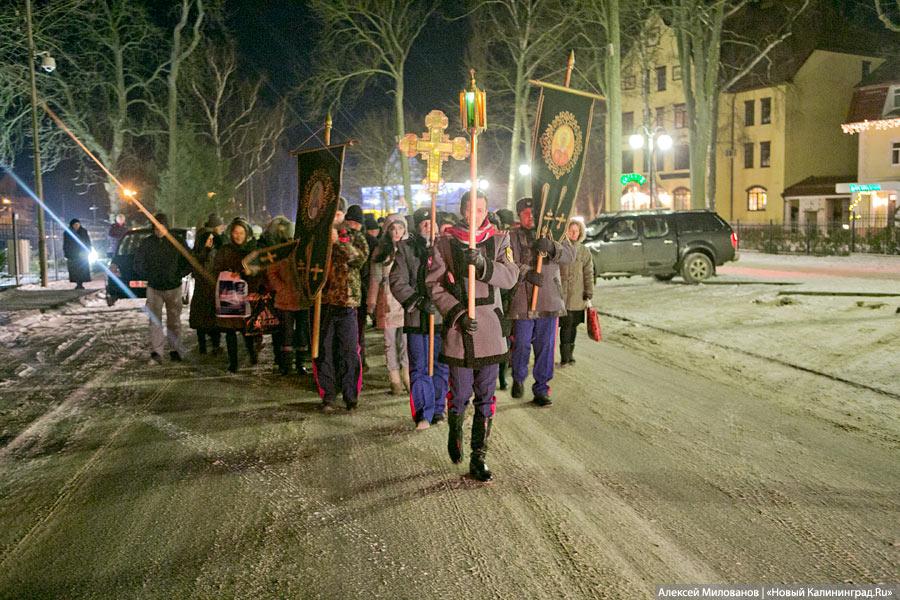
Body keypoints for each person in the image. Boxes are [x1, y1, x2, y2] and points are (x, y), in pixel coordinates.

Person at [426, 190, 519, 481]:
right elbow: (434, 286)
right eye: (470, 209)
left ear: (486, 211)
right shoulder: (444, 243)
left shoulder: (500, 240)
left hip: (490, 327)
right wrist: (457, 314)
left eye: (480, 209)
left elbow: (510, 277)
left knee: (486, 395)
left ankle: (479, 455)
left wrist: (482, 265)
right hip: (460, 328)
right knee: (461, 394)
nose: (475, 214)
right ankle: (455, 431)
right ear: (463, 211)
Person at [507, 197, 575, 406]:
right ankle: (518, 377)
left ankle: (541, 387)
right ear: (519, 215)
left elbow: (570, 256)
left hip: (549, 300)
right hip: (523, 301)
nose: (530, 217)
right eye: (525, 213)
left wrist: (552, 247)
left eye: (533, 213)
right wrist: (525, 272)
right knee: (521, 345)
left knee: (545, 347)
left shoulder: (553, 234)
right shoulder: (512, 236)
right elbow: (508, 261)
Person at [390, 207, 449, 430]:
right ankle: (423, 412)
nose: (427, 226)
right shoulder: (405, 249)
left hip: (442, 317)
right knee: (419, 366)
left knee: (441, 365)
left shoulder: (446, 247)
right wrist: (416, 300)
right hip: (417, 317)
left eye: (431, 222)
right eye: (423, 222)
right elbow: (397, 280)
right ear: (417, 226)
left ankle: (438, 408)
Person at [314, 199, 368, 412]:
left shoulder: (354, 237)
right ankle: (327, 395)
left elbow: (359, 259)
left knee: (348, 351)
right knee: (324, 351)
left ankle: (350, 395)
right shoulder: (319, 238)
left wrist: (339, 242)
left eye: (338, 214)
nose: (334, 218)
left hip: (347, 302)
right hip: (323, 303)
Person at [133, 213, 191, 363]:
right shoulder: (147, 243)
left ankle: (175, 350)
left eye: (161, 227)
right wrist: (147, 274)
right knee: (154, 321)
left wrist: (178, 274)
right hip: (154, 288)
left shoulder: (177, 242)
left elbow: (188, 260)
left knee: (174, 321)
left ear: (166, 227)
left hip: (173, 287)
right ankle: (157, 351)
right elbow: (138, 262)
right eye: (156, 227)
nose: (159, 230)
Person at [367, 214, 410, 396]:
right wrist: (372, 301)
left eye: (400, 228)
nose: (396, 232)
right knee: (389, 342)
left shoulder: (409, 249)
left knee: (406, 342)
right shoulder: (380, 251)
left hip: (406, 299)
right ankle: (394, 378)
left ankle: (407, 375)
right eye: (393, 228)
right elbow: (375, 278)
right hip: (387, 298)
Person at [264, 217, 310, 376]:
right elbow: (271, 272)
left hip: (303, 300)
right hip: (284, 301)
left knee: (302, 333)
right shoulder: (280, 251)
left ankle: (301, 363)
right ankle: (286, 364)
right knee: (287, 332)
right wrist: (280, 288)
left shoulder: (304, 251)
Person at [213, 217, 260, 373]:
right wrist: (227, 271)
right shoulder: (225, 250)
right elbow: (216, 267)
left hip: (246, 294)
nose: (238, 236)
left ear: (246, 234)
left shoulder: (252, 251)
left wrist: (249, 274)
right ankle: (233, 362)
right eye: (235, 232)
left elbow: (259, 271)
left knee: (246, 329)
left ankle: (252, 352)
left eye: (241, 232)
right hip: (228, 293)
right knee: (230, 330)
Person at [558, 218, 594, 366]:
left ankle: (570, 354)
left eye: (576, 230)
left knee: (573, 326)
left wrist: (588, 291)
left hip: (578, 296)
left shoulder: (584, 251)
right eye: (570, 230)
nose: (573, 233)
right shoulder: (560, 248)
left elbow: (588, 272)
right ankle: (565, 356)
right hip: (563, 297)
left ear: (580, 232)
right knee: (566, 325)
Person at [345, 204, 375, 372]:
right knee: (354, 332)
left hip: (361, 291)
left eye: (355, 223)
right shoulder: (347, 239)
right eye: (350, 221)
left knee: (358, 331)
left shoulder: (367, 241)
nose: (353, 226)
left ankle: (360, 361)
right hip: (352, 293)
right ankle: (357, 363)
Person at [189, 227, 221, 355]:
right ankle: (202, 346)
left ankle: (216, 345)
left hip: (213, 290)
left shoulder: (215, 253)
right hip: (201, 290)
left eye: (212, 239)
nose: (210, 242)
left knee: (214, 320)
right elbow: (194, 270)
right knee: (200, 320)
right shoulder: (197, 254)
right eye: (208, 239)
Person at [63, 218, 92, 289]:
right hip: (73, 254)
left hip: (82, 254)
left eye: (78, 224)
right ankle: (78, 283)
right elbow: (66, 244)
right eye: (75, 224)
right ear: (72, 225)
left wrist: (88, 250)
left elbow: (88, 242)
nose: (77, 226)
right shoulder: (67, 233)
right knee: (75, 270)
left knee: (82, 269)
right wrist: (66, 253)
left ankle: (80, 283)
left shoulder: (84, 231)